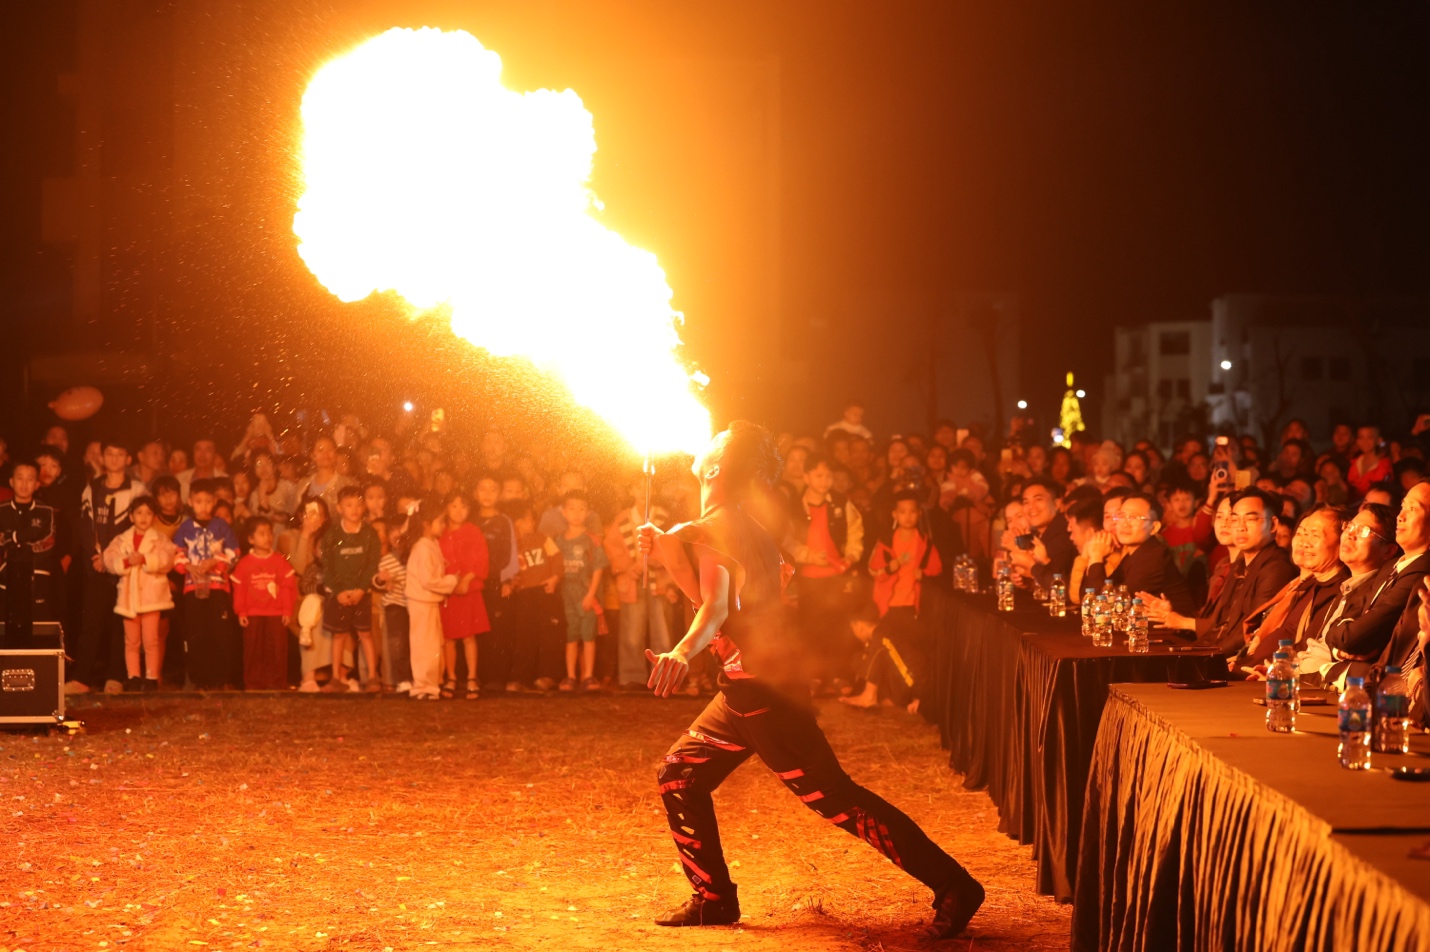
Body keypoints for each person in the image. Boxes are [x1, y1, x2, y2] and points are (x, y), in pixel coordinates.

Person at [639, 421, 983, 937]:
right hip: (744, 692)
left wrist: (682, 650)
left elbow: (714, 610)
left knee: (837, 799)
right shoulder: (735, 523)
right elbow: (726, 604)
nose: (706, 437)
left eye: (718, 441)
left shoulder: (717, 526)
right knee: (679, 775)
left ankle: (955, 884)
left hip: (766, 695)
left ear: (715, 468)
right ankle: (712, 899)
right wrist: (670, 555)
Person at [76, 441, 149, 694]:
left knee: (121, 624)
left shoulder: (137, 489)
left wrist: (114, 559)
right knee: (91, 623)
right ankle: (82, 679)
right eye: (110, 454)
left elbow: (141, 526)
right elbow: (85, 527)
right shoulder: (92, 488)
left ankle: (116, 677)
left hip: (125, 568)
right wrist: (96, 558)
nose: (115, 459)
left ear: (128, 458)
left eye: (120, 454)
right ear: (103, 457)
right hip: (96, 567)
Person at [786, 453, 864, 690]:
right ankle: (815, 677)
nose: (824, 480)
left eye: (828, 475)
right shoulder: (795, 506)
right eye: (819, 475)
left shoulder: (841, 503)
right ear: (807, 476)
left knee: (838, 627)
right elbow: (786, 540)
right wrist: (808, 556)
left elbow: (855, 531)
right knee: (811, 628)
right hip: (809, 578)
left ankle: (841, 675)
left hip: (835, 576)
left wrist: (852, 555)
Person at [1237, 505, 1348, 671]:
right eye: (1301, 533)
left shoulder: (1339, 591)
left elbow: (1304, 651)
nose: (1303, 542)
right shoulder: (1311, 586)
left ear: (1342, 542)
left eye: (1314, 535)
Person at [1299, 503, 1399, 683]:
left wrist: (1288, 677)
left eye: (1363, 531)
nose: (1350, 534)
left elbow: (1345, 644)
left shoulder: (1376, 593)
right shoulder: (1347, 586)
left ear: (1389, 550)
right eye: (1350, 526)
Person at [101, 495, 175, 692]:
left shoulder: (159, 539)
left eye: (149, 513)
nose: (144, 517)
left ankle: (151, 677)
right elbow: (109, 559)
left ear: (154, 517)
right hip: (128, 599)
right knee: (131, 641)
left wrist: (145, 559)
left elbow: (168, 559)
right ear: (132, 516)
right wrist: (125, 562)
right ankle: (133, 676)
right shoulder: (122, 539)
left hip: (152, 598)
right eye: (139, 513)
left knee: (151, 640)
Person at [606, 476, 673, 691]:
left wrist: (649, 562)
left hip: (658, 582)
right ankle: (632, 676)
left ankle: (664, 677)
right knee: (632, 632)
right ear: (632, 490)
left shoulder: (664, 517)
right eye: (638, 486)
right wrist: (630, 566)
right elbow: (612, 547)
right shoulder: (622, 519)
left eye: (647, 487)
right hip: (632, 581)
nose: (643, 491)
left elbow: (672, 546)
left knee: (662, 633)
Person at [173, 479, 240, 690]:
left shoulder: (221, 526)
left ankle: (221, 679)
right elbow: (176, 554)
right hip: (194, 588)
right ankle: (198, 679)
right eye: (199, 501)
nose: (203, 506)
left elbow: (234, 552)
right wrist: (188, 567)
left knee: (219, 632)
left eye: (208, 501)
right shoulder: (185, 528)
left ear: (214, 502)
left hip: (218, 587)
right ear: (190, 501)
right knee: (197, 632)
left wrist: (216, 561)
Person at [1088, 493, 1196, 616]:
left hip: (1175, 632)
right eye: (1122, 516)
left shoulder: (1154, 558)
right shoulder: (1135, 554)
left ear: (1154, 528)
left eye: (1134, 518)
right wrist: (1095, 557)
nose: (1125, 523)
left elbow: (1105, 604)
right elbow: (1090, 598)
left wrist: (1096, 557)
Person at [404, 499, 469, 700]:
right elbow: (428, 580)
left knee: (433, 643)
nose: (443, 525)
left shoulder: (430, 544)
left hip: (429, 602)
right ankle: (424, 686)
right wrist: (451, 580)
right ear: (426, 524)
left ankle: (431, 683)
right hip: (421, 601)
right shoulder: (422, 547)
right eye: (440, 522)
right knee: (425, 645)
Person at [321, 485, 382, 693]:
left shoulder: (370, 534)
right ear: (339, 508)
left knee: (365, 634)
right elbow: (327, 567)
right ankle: (336, 678)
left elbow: (372, 564)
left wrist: (361, 589)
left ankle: (373, 677)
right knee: (338, 636)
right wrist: (338, 591)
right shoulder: (331, 535)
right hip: (339, 595)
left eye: (358, 505)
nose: (354, 509)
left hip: (361, 594)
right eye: (349, 505)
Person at [231, 516, 297, 691]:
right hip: (253, 613)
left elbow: (288, 586)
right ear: (251, 539)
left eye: (270, 533)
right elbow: (240, 589)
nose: (267, 537)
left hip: (275, 613)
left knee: (276, 650)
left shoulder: (279, 561)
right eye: (261, 534)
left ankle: (276, 684)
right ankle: (253, 685)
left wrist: (286, 610)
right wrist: (242, 611)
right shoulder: (244, 564)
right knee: (253, 650)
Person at [505, 500, 565, 691]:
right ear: (518, 522)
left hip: (545, 591)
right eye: (529, 519)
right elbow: (511, 571)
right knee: (524, 635)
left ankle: (547, 675)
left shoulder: (543, 539)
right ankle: (521, 677)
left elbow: (557, 558)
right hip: (525, 595)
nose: (532, 523)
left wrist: (555, 578)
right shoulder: (513, 546)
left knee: (549, 634)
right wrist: (512, 583)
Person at [0, 462, 62, 643]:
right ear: (11, 481)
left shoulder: (46, 512)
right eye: (20, 478)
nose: (24, 483)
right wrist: (24, 540)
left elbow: (47, 542)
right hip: (3, 576)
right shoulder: (1, 510)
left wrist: (12, 538)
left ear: (37, 484)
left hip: (36, 574)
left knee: (38, 627)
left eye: (30, 479)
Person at [554, 490, 607, 692]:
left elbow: (598, 568)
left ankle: (588, 676)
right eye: (572, 509)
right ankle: (570, 676)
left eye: (581, 509)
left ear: (588, 512)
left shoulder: (591, 540)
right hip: (567, 594)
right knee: (571, 635)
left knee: (588, 635)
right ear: (563, 512)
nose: (576, 513)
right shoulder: (559, 540)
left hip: (586, 595)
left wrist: (591, 594)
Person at [439, 490, 490, 699]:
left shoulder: (473, 531)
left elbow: (481, 559)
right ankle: (451, 677)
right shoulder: (440, 531)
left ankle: (471, 677)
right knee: (448, 637)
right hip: (447, 591)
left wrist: (466, 580)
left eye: (463, 506)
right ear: (446, 508)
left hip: (468, 590)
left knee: (469, 636)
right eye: (454, 505)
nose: (459, 511)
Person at [473, 476, 519, 687]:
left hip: (496, 583)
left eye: (493, 489)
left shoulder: (504, 521)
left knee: (497, 629)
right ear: (475, 493)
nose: (488, 494)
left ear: (499, 494)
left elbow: (511, 553)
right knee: (476, 629)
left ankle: (496, 677)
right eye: (483, 489)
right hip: (474, 583)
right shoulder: (471, 520)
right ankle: (477, 675)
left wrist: (507, 580)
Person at [841, 600, 926, 713]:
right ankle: (891, 698)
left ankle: (869, 696)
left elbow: (914, 662)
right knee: (860, 658)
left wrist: (919, 696)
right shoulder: (886, 631)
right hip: (913, 684)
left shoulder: (881, 637)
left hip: (917, 685)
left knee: (876, 651)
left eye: (853, 628)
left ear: (859, 626)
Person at [1004, 477, 1075, 592]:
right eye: (1026, 502)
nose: (1031, 507)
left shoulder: (1064, 533)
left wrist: (1031, 567)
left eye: (1038, 499)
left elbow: (1059, 587)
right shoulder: (1038, 535)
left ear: (1057, 504)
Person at [372, 518, 412, 694]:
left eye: (401, 531)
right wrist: (382, 580)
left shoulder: (414, 555)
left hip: (414, 604)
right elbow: (376, 580)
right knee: (398, 643)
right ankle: (403, 679)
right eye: (392, 532)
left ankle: (415, 677)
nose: (397, 535)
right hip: (395, 605)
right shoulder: (387, 559)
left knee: (413, 643)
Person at [248, 450, 298, 524]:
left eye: (267, 463)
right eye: (258, 464)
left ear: (274, 467)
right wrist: (262, 495)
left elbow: (292, 516)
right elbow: (259, 521)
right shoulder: (254, 495)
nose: (263, 468)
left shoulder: (287, 486)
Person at [1347, 426, 1392, 500]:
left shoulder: (1384, 465)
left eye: (1369, 437)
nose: (1364, 441)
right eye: (1361, 437)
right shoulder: (1354, 462)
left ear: (1379, 440)